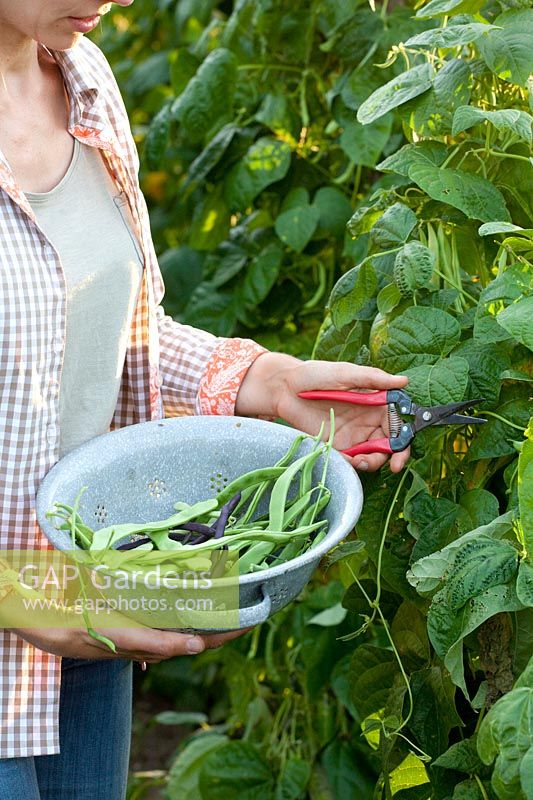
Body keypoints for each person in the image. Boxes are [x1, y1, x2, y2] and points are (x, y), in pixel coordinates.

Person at [0, 2, 410, 797]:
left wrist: (263, 382)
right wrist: (14, 594)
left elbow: (104, 321)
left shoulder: (81, 78)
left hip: (93, 606)